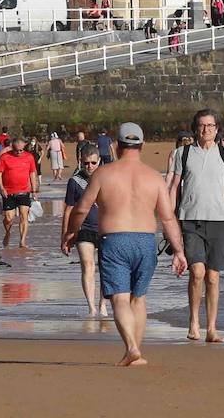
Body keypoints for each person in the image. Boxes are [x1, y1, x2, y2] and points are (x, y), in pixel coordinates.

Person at [61, 123, 188, 366]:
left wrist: (71, 232)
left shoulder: (103, 174)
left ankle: (131, 347)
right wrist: (179, 251)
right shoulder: (154, 177)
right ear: (142, 146)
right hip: (145, 241)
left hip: (114, 240)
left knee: (120, 298)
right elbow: (168, 217)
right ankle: (136, 351)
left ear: (116, 146)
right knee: (138, 298)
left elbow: (81, 208)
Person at [168, 109, 224, 343]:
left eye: (211, 126)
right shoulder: (182, 153)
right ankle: (194, 323)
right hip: (190, 219)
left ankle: (212, 328)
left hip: (219, 221)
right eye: (202, 126)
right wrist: (169, 220)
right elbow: (173, 188)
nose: (206, 130)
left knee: (213, 276)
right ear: (195, 128)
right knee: (197, 272)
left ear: (217, 128)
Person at [63, 146, 110, 317]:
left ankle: (103, 303)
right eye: (86, 163)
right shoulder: (74, 182)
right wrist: (66, 234)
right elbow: (68, 210)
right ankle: (91, 307)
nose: (89, 166)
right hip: (83, 229)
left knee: (106, 268)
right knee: (88, 265)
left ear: (99, 161)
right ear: (80, 162)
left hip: (106, 227)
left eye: (93, 163)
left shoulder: (108, 179)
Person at [0, 136, 40, 248]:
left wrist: (34, 190)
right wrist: (1, 188)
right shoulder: (5, 157)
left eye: (21, 150)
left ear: (24, 148)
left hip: (24, 191)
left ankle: (22, 241)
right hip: (8, 192)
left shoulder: (29, 157)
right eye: (16, 150)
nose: (19, 152)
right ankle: (8, 233)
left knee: (24, 216)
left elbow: (32, 173)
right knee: (9, 218)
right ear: (12, 148)